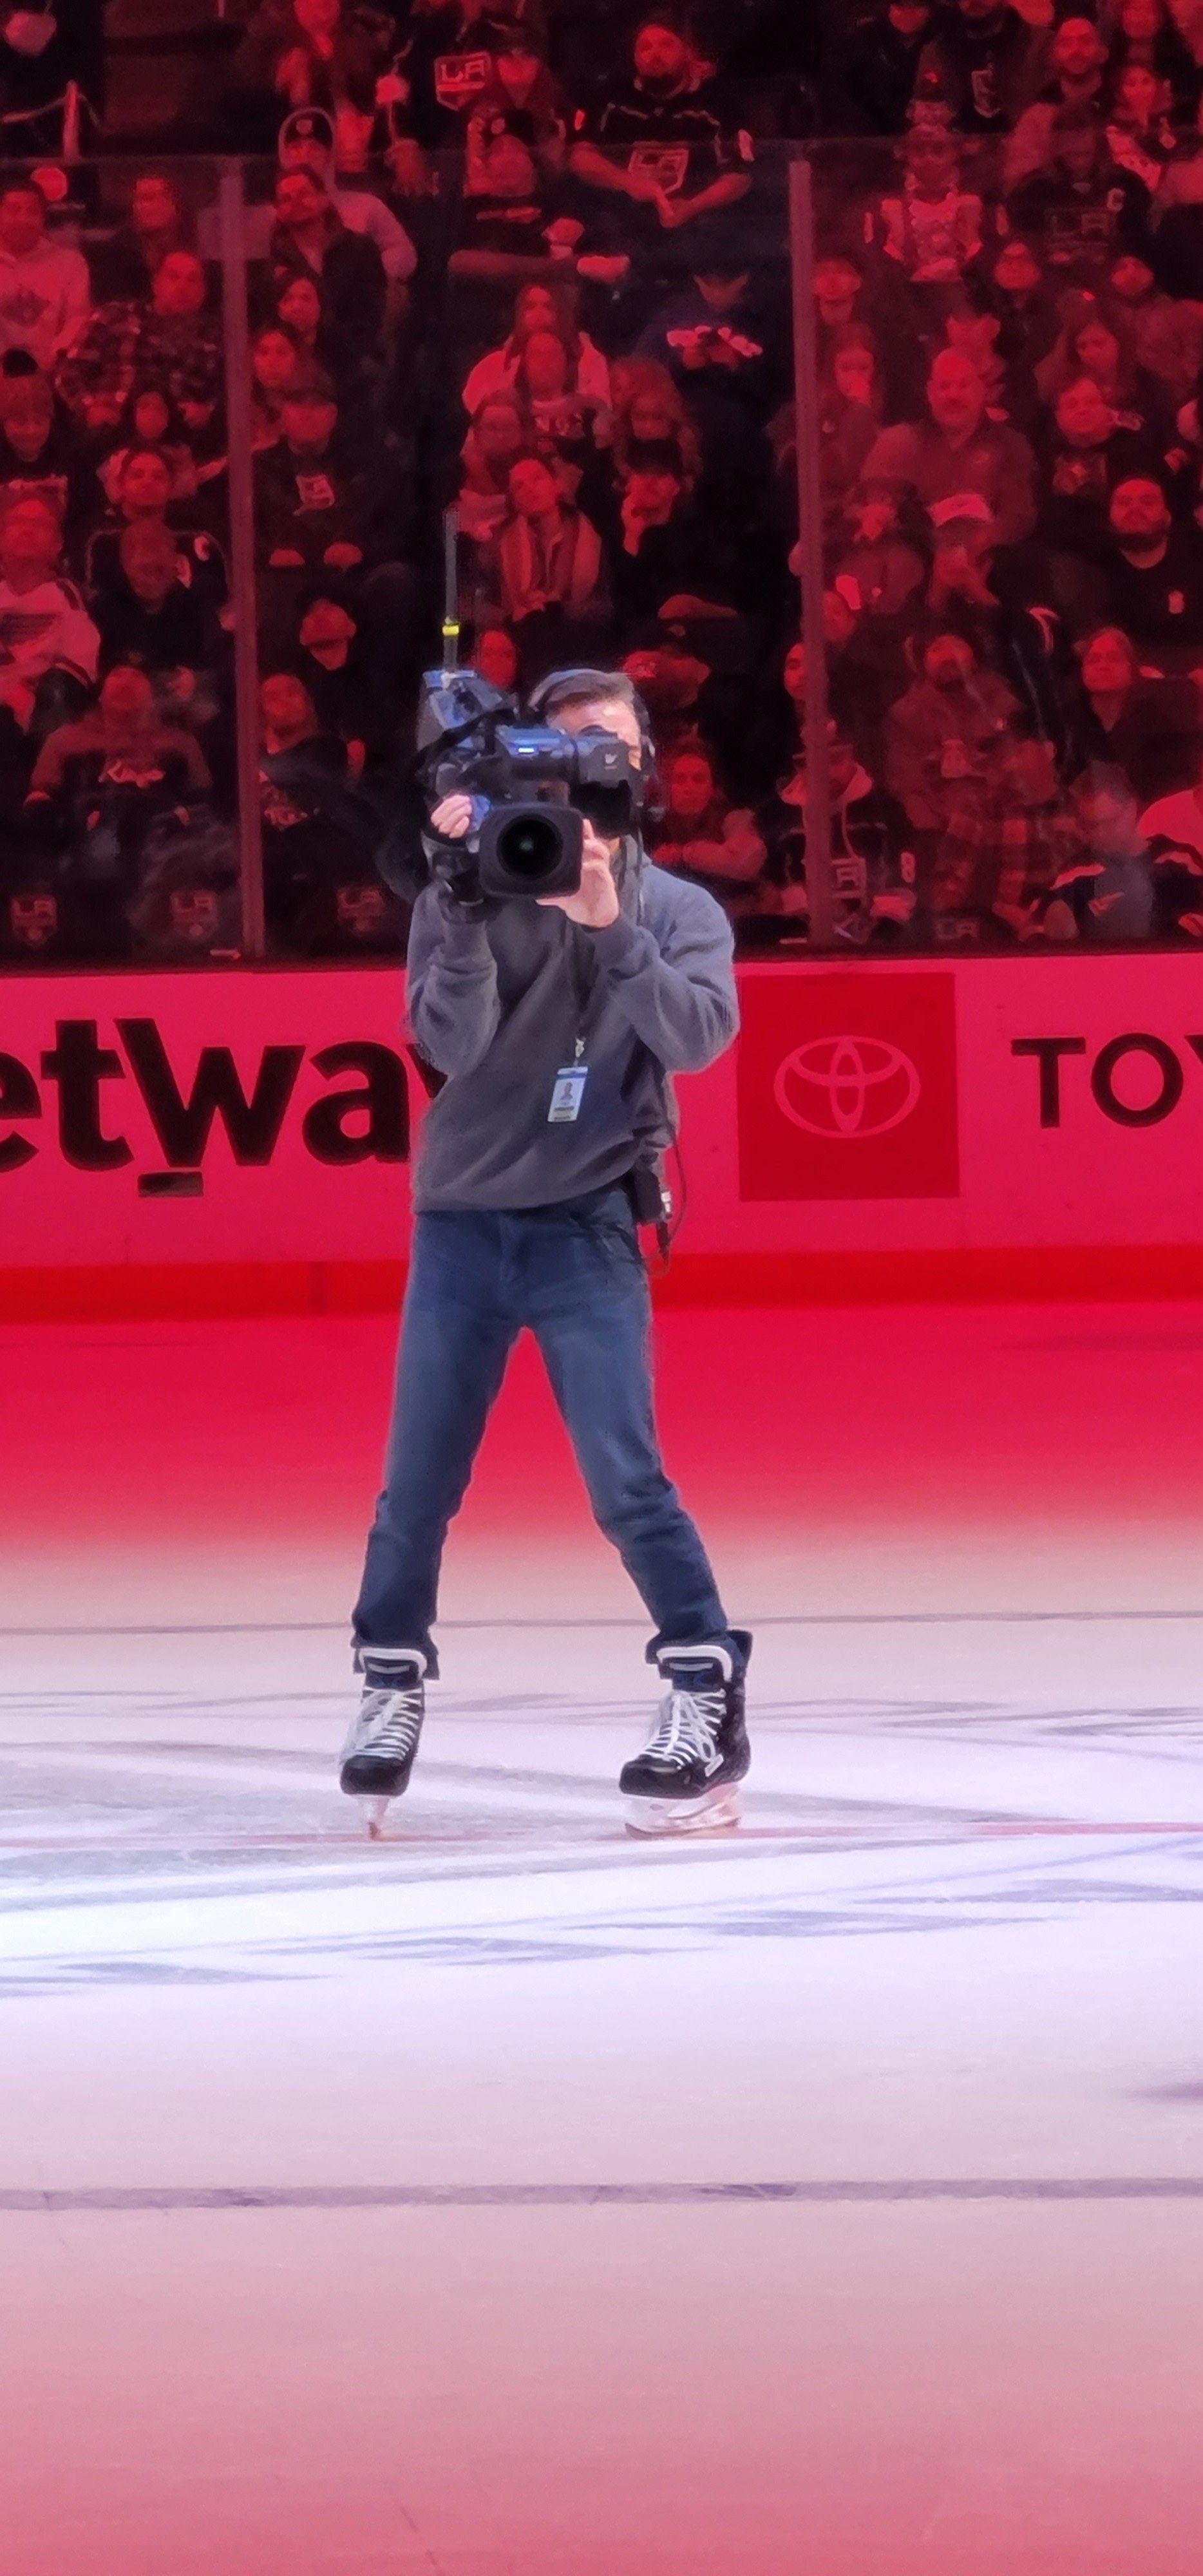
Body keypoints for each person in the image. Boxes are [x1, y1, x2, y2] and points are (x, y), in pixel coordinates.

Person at [344, 663, 752, 1835]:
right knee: (417, 1482)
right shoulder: (464, 889)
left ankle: (701, 1685)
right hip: (465, 1222)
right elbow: (450, 1047)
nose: (590, 767)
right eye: (566, 746)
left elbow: (700, 1037)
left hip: (585, 1225)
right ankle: (387, 1680)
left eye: (610, 747)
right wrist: (466, 904)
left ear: (642, 768)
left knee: (627, 1480)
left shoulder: (679, 911)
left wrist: (610, 930)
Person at [0, 178, 91, 375]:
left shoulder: (71, 264)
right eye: (13, 210)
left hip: (54, 376)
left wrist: (51, 363)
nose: (22, 220)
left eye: (31, 212)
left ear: (43, 219)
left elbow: (77, 321)